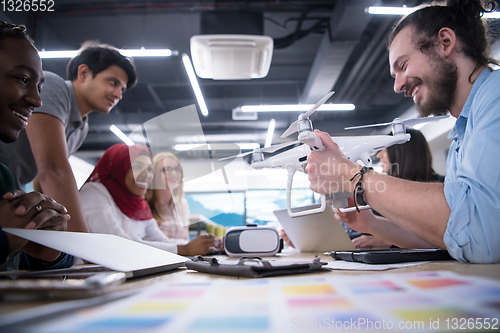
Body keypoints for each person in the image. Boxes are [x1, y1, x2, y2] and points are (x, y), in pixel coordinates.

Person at [306, 0, 500, 263]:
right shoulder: (462, 134)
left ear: (445, 42)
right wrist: (373, 224)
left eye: (404, 65)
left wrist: (352, 175)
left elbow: (481, 235)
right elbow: (455, 235)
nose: (397, 86)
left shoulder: (495, 95)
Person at [0, 40, 138, 234]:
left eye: (122, 89)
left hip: (10, 193)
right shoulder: (54, 87)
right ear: (83, 73)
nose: (118, 94)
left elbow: (42, 179)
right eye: (113, 82)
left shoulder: (82, 127)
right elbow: (53, 170)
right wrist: (82, 242)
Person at [0, 21, 73, 270]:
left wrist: (46, 251)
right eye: (22, 79)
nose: (37, 100)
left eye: (39, 87)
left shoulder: (3, 177)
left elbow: (12, 269)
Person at [80, 144, 221, 256]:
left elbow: (162, 240)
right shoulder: (95, 192)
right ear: (119, 167)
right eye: (136, 167)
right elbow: (119, 243)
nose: (145, 175)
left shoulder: (139, 206)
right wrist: (183, 249)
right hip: (84, 280)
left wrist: (205, 243)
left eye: (148, 169)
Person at [146, 152, 223, 254]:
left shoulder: (182, 205)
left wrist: (208, 244)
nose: (174, 173)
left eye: (177, 169)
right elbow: (152, 244)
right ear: (154, 174)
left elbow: (185, 241)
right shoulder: (145, 205)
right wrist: (188, 247)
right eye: (167, 169)